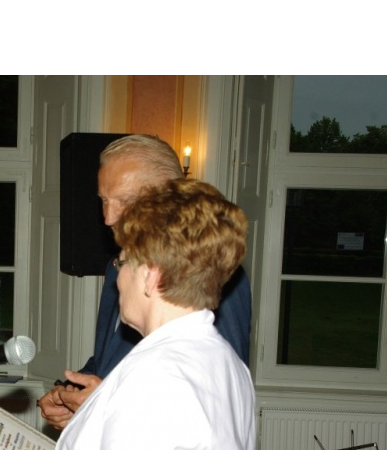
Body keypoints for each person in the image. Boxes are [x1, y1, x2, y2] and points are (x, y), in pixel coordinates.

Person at [1, 178, 256, 450]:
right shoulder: (221, 360)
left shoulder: (159, 379)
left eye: (122, 261)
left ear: (151, 275)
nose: (117, 276)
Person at [38, 134, 252, 430]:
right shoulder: (119, 267)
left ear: (168, 197)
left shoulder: (215, 275)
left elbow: (216, 403)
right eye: (103, 200)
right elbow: (110, 357)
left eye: (124, 201)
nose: (108, 218)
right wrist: (71, 392)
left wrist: (104, 405)